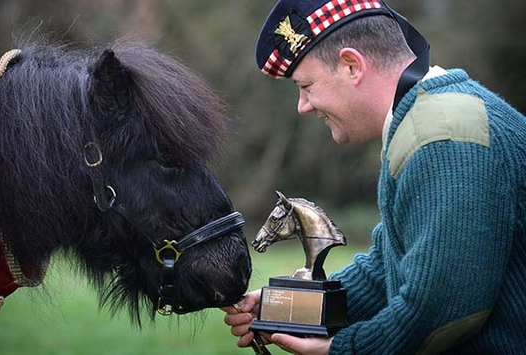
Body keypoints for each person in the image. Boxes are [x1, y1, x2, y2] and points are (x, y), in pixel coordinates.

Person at [222, 0, 526, 354]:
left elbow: (444, 310)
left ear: (352, 66)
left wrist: (342, 349)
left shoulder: (443, 137)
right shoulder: (426, 119)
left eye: (306, 86)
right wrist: (295, 309)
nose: (303, 106)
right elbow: (389, 265)